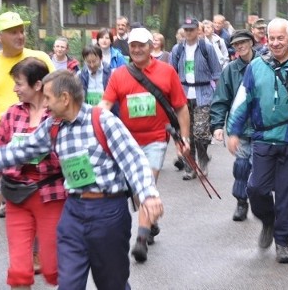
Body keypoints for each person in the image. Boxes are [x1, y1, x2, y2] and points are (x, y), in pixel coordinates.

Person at [0, 70, 164, 289]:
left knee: (112, 282)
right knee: (68, 283)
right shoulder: (53, 126)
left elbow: (134, 159)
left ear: (65, 98)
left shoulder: (103, 120)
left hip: (108, 212)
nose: (45, 104)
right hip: (73, 211)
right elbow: (18, 151)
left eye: (48, 98)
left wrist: (149, 195)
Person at [0, 11, 55, 285]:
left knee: (38, 193)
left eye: (22, 30)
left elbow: (56, 93)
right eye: (13, 31)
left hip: (38, 132)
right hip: (0, 133)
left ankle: (39, 254)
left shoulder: (39, 59)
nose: (20, 35)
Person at [226, 18, 288, 263]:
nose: (276, 42)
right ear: (266, 39)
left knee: (286, 192)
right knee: (256, 188)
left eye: (281, 38)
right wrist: (233, 131)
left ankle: (282, 241)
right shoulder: (256, 67)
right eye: (272, 38)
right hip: (262, 137)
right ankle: (268, 220)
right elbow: (242, 102)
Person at [100, 27, 190, 263]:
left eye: (142, 45)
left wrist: (185, 138)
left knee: (146, 183)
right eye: (133, 46)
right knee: (136, 190)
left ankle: (140, 240)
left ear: (152, 46)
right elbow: (105, 105)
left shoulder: (167, 72)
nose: (137, 49)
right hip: (127, 142)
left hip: (156, 139)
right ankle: (151, 220)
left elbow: (180, 106)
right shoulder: (119, 75)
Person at [0, 57, 65, 288]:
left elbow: (72, 155)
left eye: (19, 84)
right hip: (17, 197)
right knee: (18, 270)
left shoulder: (57, 115)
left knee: (53, 268)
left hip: (51, 196)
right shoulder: (11, 115)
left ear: (37, 85)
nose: (15, 89)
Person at [210, 29, 258, 222]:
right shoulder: (230, 70)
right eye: (236, 44)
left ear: (251, 42)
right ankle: (241, 201)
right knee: (241, 166)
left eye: (244, 42)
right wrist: (217, 125)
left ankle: (261, 202)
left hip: (264, 127)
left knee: (261, 168)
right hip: (241, 128)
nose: (240, 46)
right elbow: (221, 99)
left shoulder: (265, 64)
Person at [171, 17, 221, 180]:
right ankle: (190, 166)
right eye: (186, 29)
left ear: (197, 30)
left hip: (203, 95)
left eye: (191, 29)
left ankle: (203, 158)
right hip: (183, 96)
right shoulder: (177, 50)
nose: (189, 32)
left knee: (200, 133)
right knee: (186, 134)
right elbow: (171, 74)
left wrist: (219, 97)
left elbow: (217, 73)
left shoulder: (207, 48)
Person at [77, 45, 119, 117]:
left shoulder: (111, 74)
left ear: (101, 58)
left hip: (108, 114)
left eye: (94, 61)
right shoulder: (80, 75)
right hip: (88, 114)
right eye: (88, 62)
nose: (92, 65)